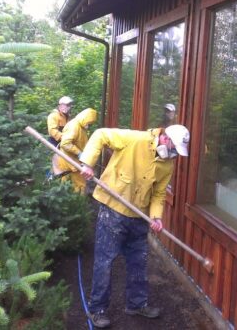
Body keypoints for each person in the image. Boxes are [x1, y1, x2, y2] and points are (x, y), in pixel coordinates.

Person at [78, 124, 190, 328]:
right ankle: (98, 310)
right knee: (105, 261)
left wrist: (156, 217)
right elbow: (101, 134)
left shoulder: (168, 164)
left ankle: (137, 304)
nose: (174, 155)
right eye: (174, 149)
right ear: (165, 139)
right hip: (113, 209)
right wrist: (87, 162)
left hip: (139, 216)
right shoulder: (135, 139)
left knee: (139, 261)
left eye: (177, 153)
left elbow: (158, 193)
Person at [55, 108, 97, 193]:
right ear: (85, 118)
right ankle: (76, 204)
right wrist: (79, 153)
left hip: (75, 162)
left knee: (76, 184)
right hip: (68, 162)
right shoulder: (74, 126)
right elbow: (65, 144)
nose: (89, 125)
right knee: (75, 185)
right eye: (89, 122)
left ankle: (76, 202)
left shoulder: (81, 126)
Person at [47, 96, 74, 176]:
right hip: (55, 141)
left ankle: (63, 176)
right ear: (61, 105)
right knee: (56, 159)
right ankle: (50, 178)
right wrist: (64, 138)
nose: (69, 107)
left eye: (70, 105)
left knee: (64, 161)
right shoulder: (53, 116)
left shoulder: (66, 116)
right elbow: (52, 131)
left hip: (64, 141)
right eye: (67, 105)